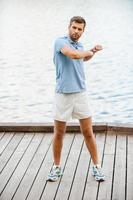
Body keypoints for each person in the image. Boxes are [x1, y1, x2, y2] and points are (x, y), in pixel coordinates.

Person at [47, 16, 105, 182]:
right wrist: (86, 52)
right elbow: (72, 55)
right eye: (74, 27)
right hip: (63, 95)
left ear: (83, 31)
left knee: (88, 132)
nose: (76, 31)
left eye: (80, 29)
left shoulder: (80, 46)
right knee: (59, 133)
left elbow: (82, 57)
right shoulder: (60, 42)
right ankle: (56, 168)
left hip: (81, 94)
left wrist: (91, 52)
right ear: (69, 27)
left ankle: (97, 167)